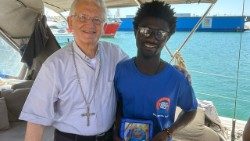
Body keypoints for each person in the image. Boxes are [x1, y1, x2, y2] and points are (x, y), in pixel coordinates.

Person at [19, 0, 128, 141]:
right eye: (82, 17)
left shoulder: (115, 54)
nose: (90, 24)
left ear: (104, 27)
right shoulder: (54, 65)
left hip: (107, 137)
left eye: (97, 19)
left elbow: (137, 74)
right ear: (70, 22)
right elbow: (35, 119)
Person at [114, 1, 198, 141]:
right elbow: (117, 104)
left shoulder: (177, 78)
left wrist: (168, 132)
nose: (152, 38)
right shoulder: (120, 71)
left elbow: (191, 109)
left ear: (167, 38)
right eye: (145, 31)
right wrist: (117, 129)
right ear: (136, 32)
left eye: (160, 33)